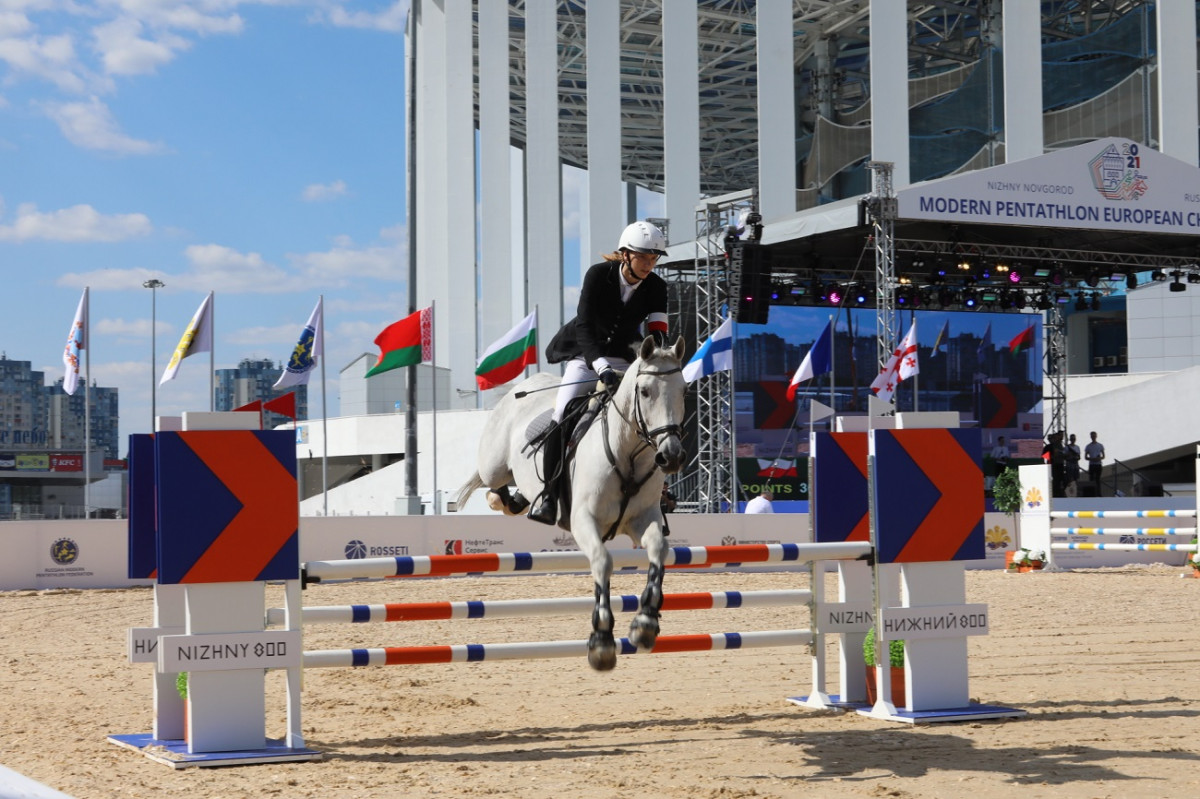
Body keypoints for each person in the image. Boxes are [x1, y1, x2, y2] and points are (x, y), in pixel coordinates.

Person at [527, 220, 670, 525]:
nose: (649, 264)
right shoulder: (597, 275)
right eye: (643, 257)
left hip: (625, 357)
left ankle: (657, 495)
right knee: (563, 410)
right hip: (586, 354)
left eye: (653, 258)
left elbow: (657, 333)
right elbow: (584, 326)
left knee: (653, 412)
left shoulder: (657, 287)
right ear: (625, 254)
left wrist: (651, 364)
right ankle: (549, 495)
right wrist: (600, 366)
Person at [1042, 431, 1066, 498]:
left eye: (1052, 438)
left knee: (1060, 479)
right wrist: (1051, 457)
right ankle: (1054, 493)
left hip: (1060, 464)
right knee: (1054, 479)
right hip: (1052, 464)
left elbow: (1063, 454)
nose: (1051, 439)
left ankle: (1059, 492)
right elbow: (1043, 455)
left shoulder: (1059, 445)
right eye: (1050, 438)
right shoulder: (1048, 447)